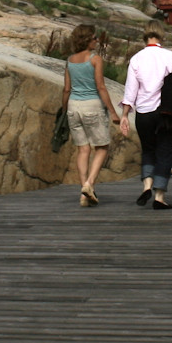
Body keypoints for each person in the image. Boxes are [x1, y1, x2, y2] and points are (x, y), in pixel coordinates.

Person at [120, 21, 172, 210]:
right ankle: (159, 197)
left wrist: (125, 115)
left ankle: (147, 186)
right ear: (161, 35)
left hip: (143, 113)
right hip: (166, 112)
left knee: (148, 150)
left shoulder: (136, 59)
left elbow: (130, 91)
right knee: (165, 151)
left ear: (145, 36)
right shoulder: (170, 56)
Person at [61, 24, 122, 207]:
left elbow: (66, 89)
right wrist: (113, 111)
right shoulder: (95, 59)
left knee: (83, 149)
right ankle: (89, 184)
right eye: (95, 38)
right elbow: (100, 86)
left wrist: (64, 109)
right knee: (102, 147)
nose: (97, 40)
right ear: (87, 40)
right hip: (92, 105)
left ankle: (84, 193)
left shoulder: (70, 60)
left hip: (73, 106)